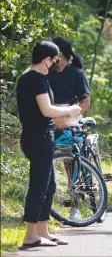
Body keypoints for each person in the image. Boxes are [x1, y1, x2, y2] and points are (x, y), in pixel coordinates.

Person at [16, 41, 81, 248]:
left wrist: (60, 114)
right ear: (46, 59)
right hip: (39, 137)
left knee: (49, 185)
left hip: (39, 136)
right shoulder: (36, 79)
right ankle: (30, 234)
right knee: (39, 186)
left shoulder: (30, 76)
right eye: (54, 60)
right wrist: (71, 110)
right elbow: (46, 110)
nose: (55, 64)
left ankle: (43, 231)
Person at [48, 37, 91, 222]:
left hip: (70, 117)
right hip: (49, 115)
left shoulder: (76, 73)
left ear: (62, 54)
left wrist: (67, 118)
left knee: (70, 154)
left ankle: (75, 201)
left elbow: (85, 102)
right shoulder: (46, 72)